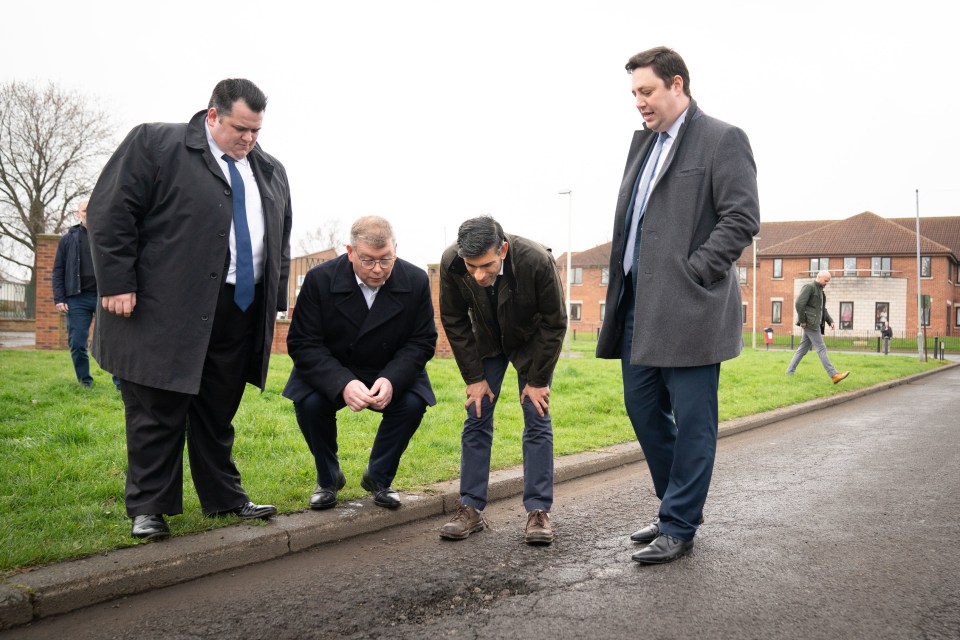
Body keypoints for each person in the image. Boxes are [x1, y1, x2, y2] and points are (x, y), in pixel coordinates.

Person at [87, 79, 293, 540]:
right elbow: (111, 212)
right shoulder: (156, 144)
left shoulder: (270, 170)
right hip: (165, 306)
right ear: (213, 115)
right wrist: (117, 282)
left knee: (218, 408)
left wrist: (273, 302)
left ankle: (224, 498)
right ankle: (149, 508)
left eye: (257, 131)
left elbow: (279, 237)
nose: (249, 139)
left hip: (239, 307)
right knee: (157, 406)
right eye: (241, 129)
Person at [595, 47, 761, 564]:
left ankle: (679, 523)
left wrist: (696, 272)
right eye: (634, 94)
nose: (639, 103)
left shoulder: (722, 139)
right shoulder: (643, 145)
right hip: (637, 309)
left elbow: (742, 217)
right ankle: (676, 504)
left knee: (693, 421)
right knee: (642, 408)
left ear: (677, 84)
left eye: (646, 91)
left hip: (690, 308)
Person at [283, 216, 437, 510]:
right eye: (367, 260)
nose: (377, 269)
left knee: (414, 402)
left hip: (389, 366)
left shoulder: (416, 280)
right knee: (309, 403)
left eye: (386, 260)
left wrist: (392, 378)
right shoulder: (320, 279)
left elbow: (422, 341)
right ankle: (328, 479)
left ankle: (379, 476)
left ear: (395, 250)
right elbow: (303, 342)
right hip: (335, 366)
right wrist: (342, 382)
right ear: (350, 252)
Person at [438, 215, 566, 545]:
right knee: (477, 413)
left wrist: (537, 380)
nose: (479, 275)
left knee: (536, 415)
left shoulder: (537, 260)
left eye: (487, 266)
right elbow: (453, 320)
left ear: (504, 250)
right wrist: (474, 377)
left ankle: (539, 512)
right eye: (472, 266)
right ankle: (470, 508)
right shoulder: (452, 262)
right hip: (488, 341)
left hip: (532, 341)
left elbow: (555, 322)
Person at [51, 199, 119, 390]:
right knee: (77, 343)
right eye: (84, 210)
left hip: (104, 296)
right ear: (77, 213)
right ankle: (85, 382)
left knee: (113, 341)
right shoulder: (68, 239)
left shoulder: (109, 236)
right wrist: (60, 298)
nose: (89, 213)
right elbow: (58, 270)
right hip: (77, 298)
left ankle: (120, 383)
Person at [786, 270, 851, 383]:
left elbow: (822, 310)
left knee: (802, 350)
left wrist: (830, 321)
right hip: (810, 323)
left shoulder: (821, 292)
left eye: (828, 281)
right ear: (819, 277)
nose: (827, 283)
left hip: (814, 323)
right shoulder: (809, 287)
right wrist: (802, 321)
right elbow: (799, 304)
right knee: (821, 348)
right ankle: (834, 375)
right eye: (826, 280)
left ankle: (789, 372)